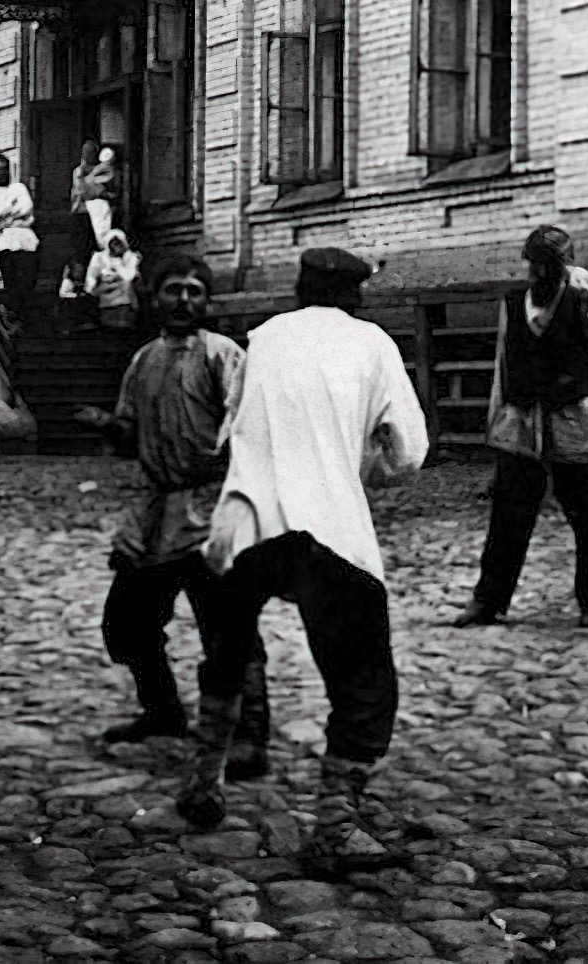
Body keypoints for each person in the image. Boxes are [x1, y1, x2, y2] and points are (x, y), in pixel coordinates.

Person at [178, 248, 430, 878]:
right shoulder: (372, 344)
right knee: (364, 679)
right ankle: (335, 826)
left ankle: (205, 781)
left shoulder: (262, 339)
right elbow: (410, 453)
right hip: (328, 526)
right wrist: (358, 465)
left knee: (230, 653)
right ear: (356, 295)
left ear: (299, 289)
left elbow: (226, 429)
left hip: (246, 522)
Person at [72, 254, 267, 767]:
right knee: (130, 621)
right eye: (173, 290)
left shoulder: (224, 357)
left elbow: (247, 430)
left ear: (207, 301)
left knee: (227, 626)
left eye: (194, 291)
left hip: (212, 508)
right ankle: (160, 710)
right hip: (156, 512)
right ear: (155, 297)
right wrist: (107, 426)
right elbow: (131, 431)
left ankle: (249, 734)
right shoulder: (144, 360)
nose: (184, 300)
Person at [453, 225, 588, 630]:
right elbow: (502, 364)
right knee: (508, 515)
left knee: (585, 515)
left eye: (552, 264)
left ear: (565, 265)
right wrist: (497, 422)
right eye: (537, 264)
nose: (543, 273)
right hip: (522, 421)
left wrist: (578, 276)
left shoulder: (582, 298)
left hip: (571, 419)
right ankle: (488, 600)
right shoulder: (514, 304)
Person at [0, 152, 40, 324]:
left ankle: (23, 314)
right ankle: (13, 314)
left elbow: (26, 209)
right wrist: (12, 210)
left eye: (4, 170)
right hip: (4, 241)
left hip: (25, 238)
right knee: (10, 280)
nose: (0, 174)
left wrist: (6, 216)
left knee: (28, 278)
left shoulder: (19, 188)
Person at [84, 227, 144, 331]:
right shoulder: (99, 258)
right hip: (106, 302)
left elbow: (129, 276)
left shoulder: (132, 257)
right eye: (113, 243)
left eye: (119, 243)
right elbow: (91, 277)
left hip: (125, 303)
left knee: (125, 329)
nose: (116, 247)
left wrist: (117, 264)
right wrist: (94, 285)